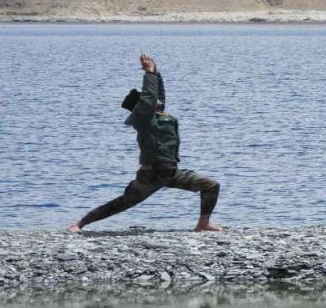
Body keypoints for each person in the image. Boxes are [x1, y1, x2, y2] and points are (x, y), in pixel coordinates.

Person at [67, 54, 221, 233]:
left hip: (171, 173)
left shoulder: (158, 116)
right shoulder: (144, 118)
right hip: (151, 175)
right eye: (149, 99)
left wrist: (156, 72)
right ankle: (79, 224)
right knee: (123, 203)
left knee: (211, 185)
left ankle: (203, 224)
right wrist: (148, 74)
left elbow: (157, 96)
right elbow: (149, 97)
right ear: (142, 106)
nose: (155, 99)